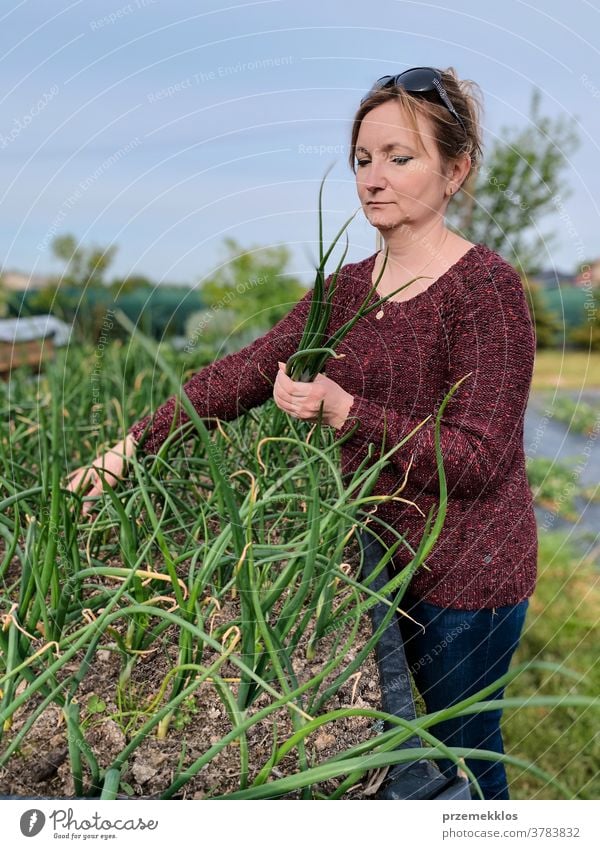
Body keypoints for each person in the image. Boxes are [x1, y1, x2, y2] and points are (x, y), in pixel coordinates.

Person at [66, 66, 537, 801]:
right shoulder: (344, 288)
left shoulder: (487, 290)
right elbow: (246, 369)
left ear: (456, 169)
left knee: (465, 763)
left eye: (399, 157)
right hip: (375, 563)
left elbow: (476, 458)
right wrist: (131, 446)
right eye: (362, 159)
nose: (373, 178)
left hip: (468, 577)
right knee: (400, 758)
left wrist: (346, 412)